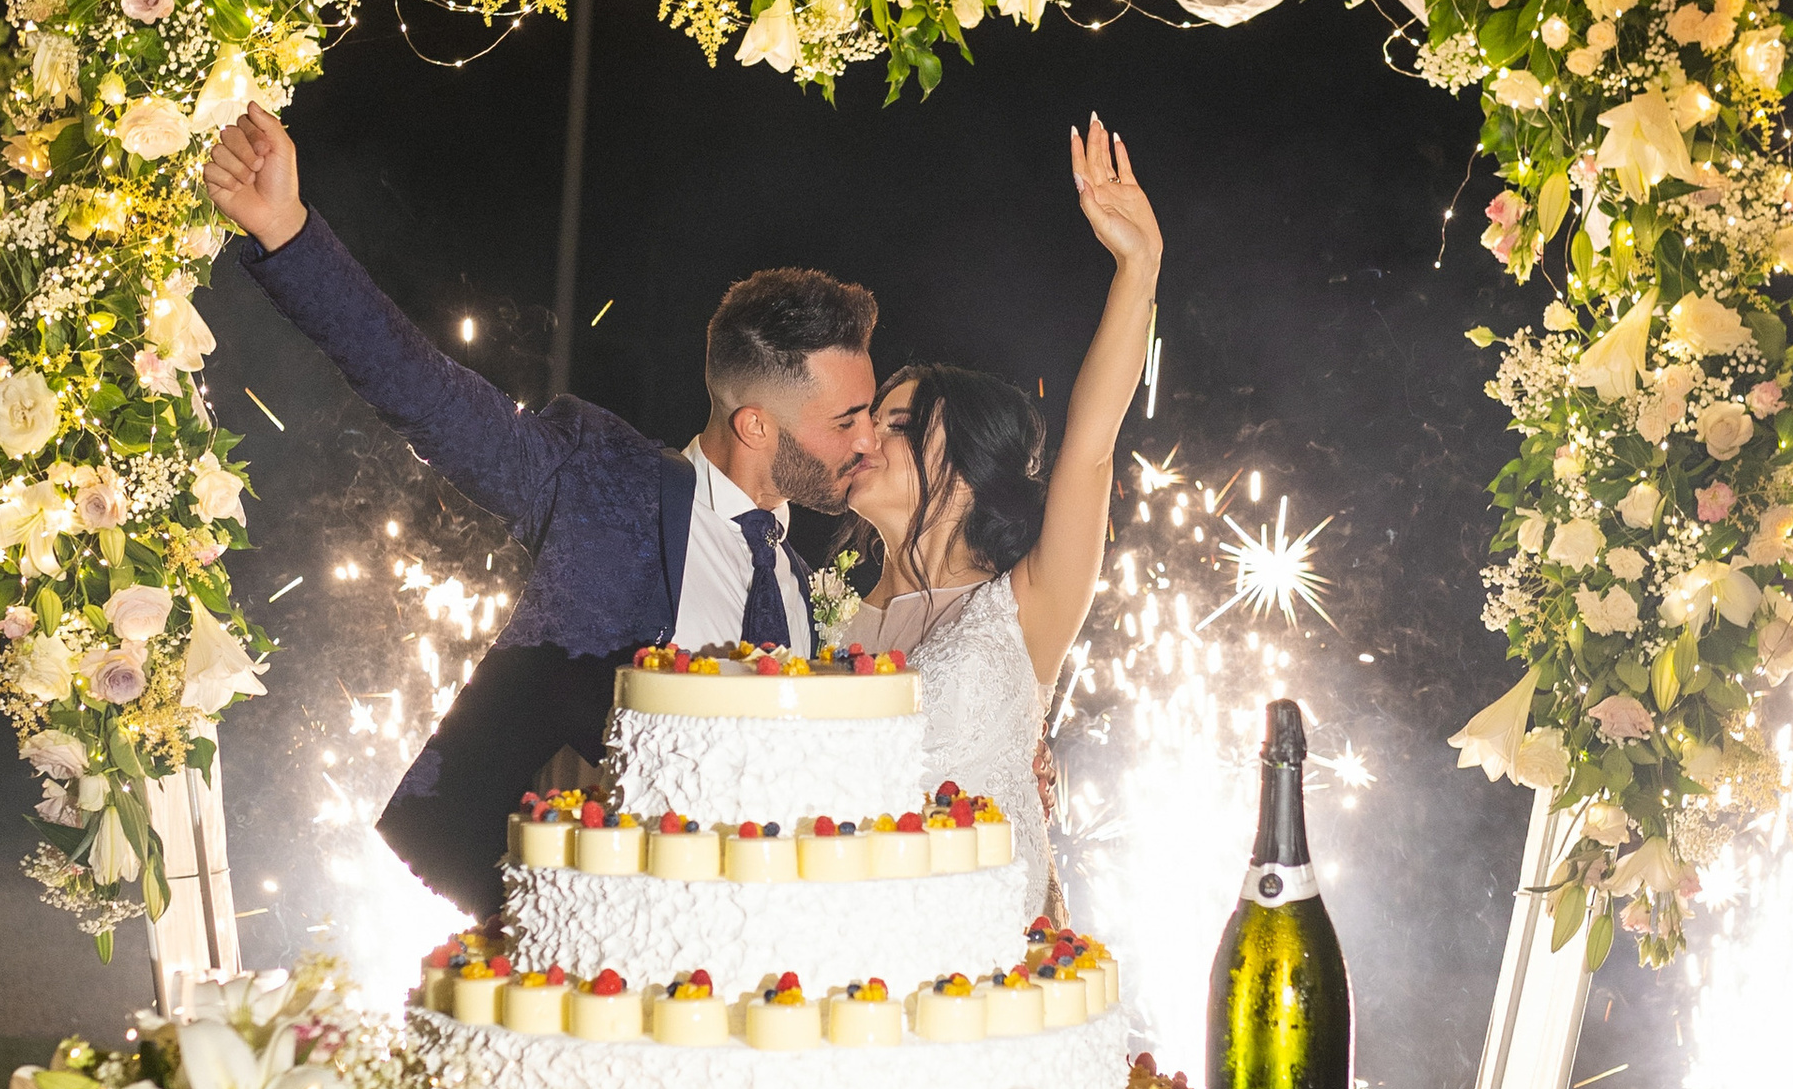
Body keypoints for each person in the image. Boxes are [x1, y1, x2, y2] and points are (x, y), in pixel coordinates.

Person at [200, 102, 882, 917]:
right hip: (574, 938)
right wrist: (288, 229)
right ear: (757, 426)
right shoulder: (600, 480)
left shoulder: (801, 589)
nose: (869, 438)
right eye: (848, 420)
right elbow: (423, 390)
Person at [842, 115, 1162, 919]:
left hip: (994, 977)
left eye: (899, 424)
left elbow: (1089, 449)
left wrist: (1138, 267)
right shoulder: (824, 622)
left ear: (969, 472)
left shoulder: (1025, 607)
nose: (867, 438)